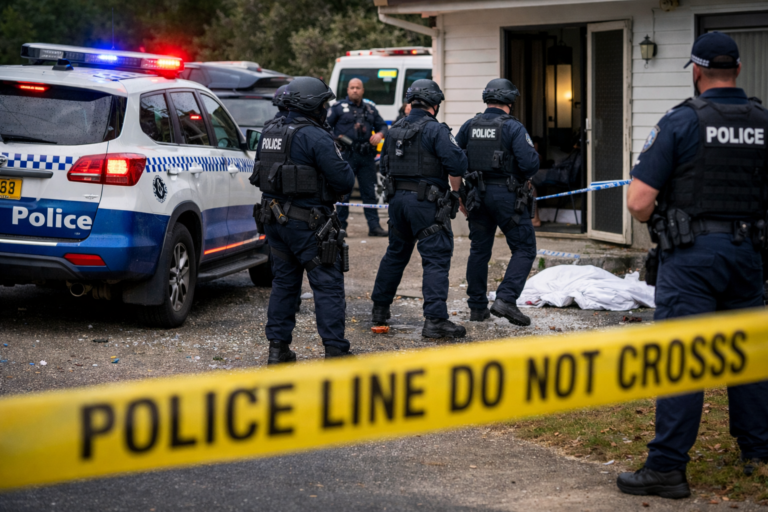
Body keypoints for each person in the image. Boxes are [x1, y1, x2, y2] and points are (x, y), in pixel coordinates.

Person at [617, 32, 768, 499]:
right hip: (750, 255)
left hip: (693, 257)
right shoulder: (763, 121)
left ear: (697, 71)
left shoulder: (682, 121)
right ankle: (758, 454)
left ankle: (666, 468)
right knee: (748, 356)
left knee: (682, 358)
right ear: (738, 71)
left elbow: (639, 202)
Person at [252, 77, 355, 364]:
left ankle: (278, 349)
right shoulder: (314, 135)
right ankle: (335, 350)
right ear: (311, 105)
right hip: (309, 224)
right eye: (323, 104)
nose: (326, 109)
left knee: (284, 283)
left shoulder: (270, 131)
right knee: (327, 284)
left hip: (274, 220)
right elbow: (344, 179)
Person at [370, 79, 469, 338]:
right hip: (425, 204)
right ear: (434, 104)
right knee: (436, 258)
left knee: (395, 255)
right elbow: (457, 164)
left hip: (397, 203)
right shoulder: (436, 130)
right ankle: (435, 320)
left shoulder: (393, 130)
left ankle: (379, 310)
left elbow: (383, 167)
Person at [455, 78, 540, 326]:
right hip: (506, 196)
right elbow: (530, 165)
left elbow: (454, 159)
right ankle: (505, 299)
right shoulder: (513, 128)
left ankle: (477, 308)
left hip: (475, 197)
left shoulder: (470, 125)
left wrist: (460, 195)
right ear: (510, 101)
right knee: (524, 248)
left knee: (479, 250)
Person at [328, 78, 389, 236]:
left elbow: (382, 126)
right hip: (346, 155)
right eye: (352, 87)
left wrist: (380, 135)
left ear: (362, 90)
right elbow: (326, 127)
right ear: (347, 90)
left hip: (366, 156)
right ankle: (341, 227)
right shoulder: (338, 107)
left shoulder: (370, 108)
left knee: (369, 191)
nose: (355, 90)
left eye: (358, 88)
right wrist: (337, 138)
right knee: (344, 192)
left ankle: (374, 227)